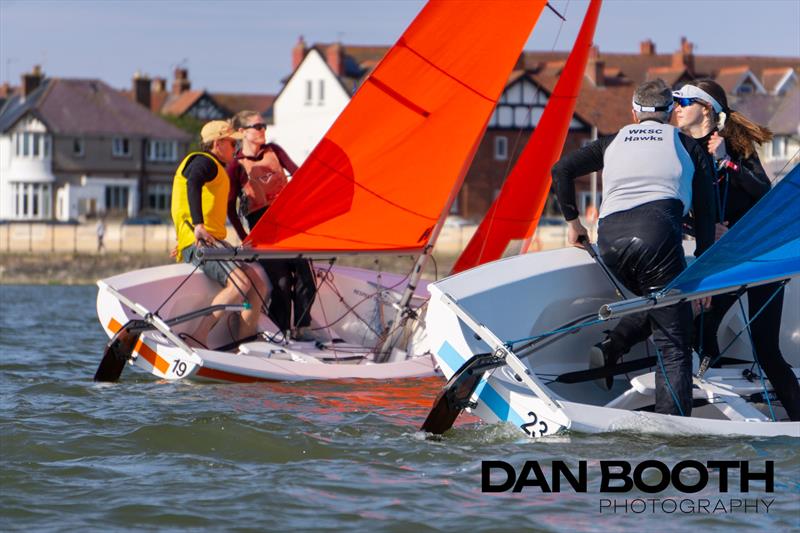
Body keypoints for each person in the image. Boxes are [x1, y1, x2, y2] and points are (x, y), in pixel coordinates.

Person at [551, 79, 716, 416]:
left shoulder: (611, 143)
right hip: (656, 235)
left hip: (610, 241)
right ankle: (673, 433)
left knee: (660, 303)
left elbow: (561, 170)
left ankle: (613, 345)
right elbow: (707, 211)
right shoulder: (686, 145)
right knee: (673, 342)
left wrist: (574, 224)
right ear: (670, 114)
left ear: (633, 113)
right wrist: (705, 265)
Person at [673, 79, 800, 421]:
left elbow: (764, 193)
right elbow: (681, 208)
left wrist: (727, 162)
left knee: (766, 348)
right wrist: (702, 229)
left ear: (707, 109)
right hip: (723, 261)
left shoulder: (736, 146)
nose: (677, 107)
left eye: (683, 100)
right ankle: (706, 405)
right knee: (703, 329)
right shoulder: (682, 149)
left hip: (758, 259)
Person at [171, 119, 269, 347]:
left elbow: (184, 202)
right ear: (217, 144)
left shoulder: (214, 167)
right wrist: (196, 226)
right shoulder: (204, 162)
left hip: (211, 241)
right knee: (240, 284)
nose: (235, 148)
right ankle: (197, 336)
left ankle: (244, 341)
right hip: (202, 243)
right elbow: (192, 183)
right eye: (230, 143)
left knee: (258, 285)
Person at [227, 110, 318, 341]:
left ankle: (302, 327)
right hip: (262, 225)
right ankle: (282, 332)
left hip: (289, 220)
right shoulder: (235, 166)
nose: (263, 130)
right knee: (281, 282)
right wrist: (245, 236)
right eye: (257, 127)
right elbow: (230, 207)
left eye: (264, 125)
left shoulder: (274, 151)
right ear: (242, 133)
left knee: (306, 277)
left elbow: (299, 175)